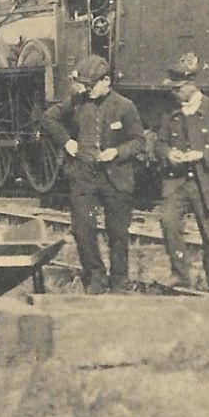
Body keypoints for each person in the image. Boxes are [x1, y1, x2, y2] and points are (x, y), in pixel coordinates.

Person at [41, 54, 145, 292]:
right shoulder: (77, 102)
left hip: (115, 176)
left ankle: (119, 280)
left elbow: (139, 141)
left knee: (118, 232)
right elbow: (49, 118)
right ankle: (95, 276)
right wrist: (67, 141)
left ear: (106, 81)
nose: (87, 90)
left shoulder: (125, 107)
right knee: (82, 228)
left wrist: (117, 152)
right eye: (85, 86)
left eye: (91, 85)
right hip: (84, 174)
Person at [155, 52, 209, 291]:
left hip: (208, 180)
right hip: (178, 181)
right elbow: (159, 142)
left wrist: (203, 155)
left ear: (191, 86)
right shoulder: (170, 113)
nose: (173, 93)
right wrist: (167, 154)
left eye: (177, 88)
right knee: (169, 223)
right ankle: (181, 276)